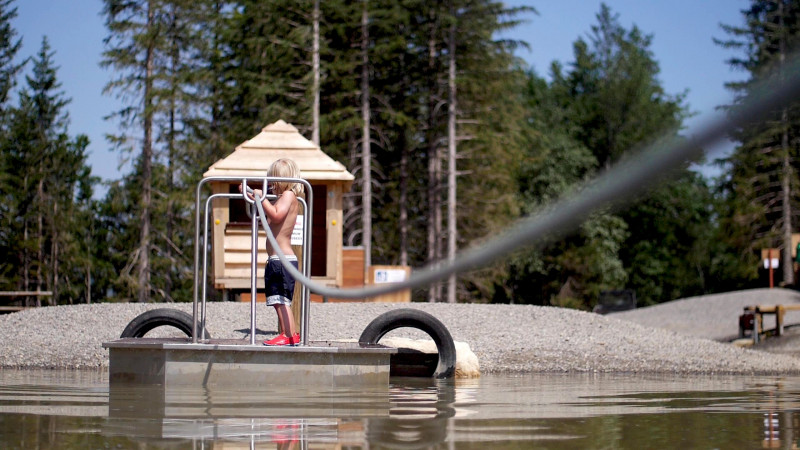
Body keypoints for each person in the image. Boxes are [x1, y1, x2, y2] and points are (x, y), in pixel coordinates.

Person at [241, 158, 304, 346]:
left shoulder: (288, 196)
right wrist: (255, 199)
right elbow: (271, 221)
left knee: (282, 300)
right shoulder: (282, 198)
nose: (271, 184)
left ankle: (289, 334)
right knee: (278, 300)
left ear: (283, 180)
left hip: (281, 260)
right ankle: (288, 333)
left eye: (274, 180)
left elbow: (276, 214)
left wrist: (263, 199)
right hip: (276, 259)